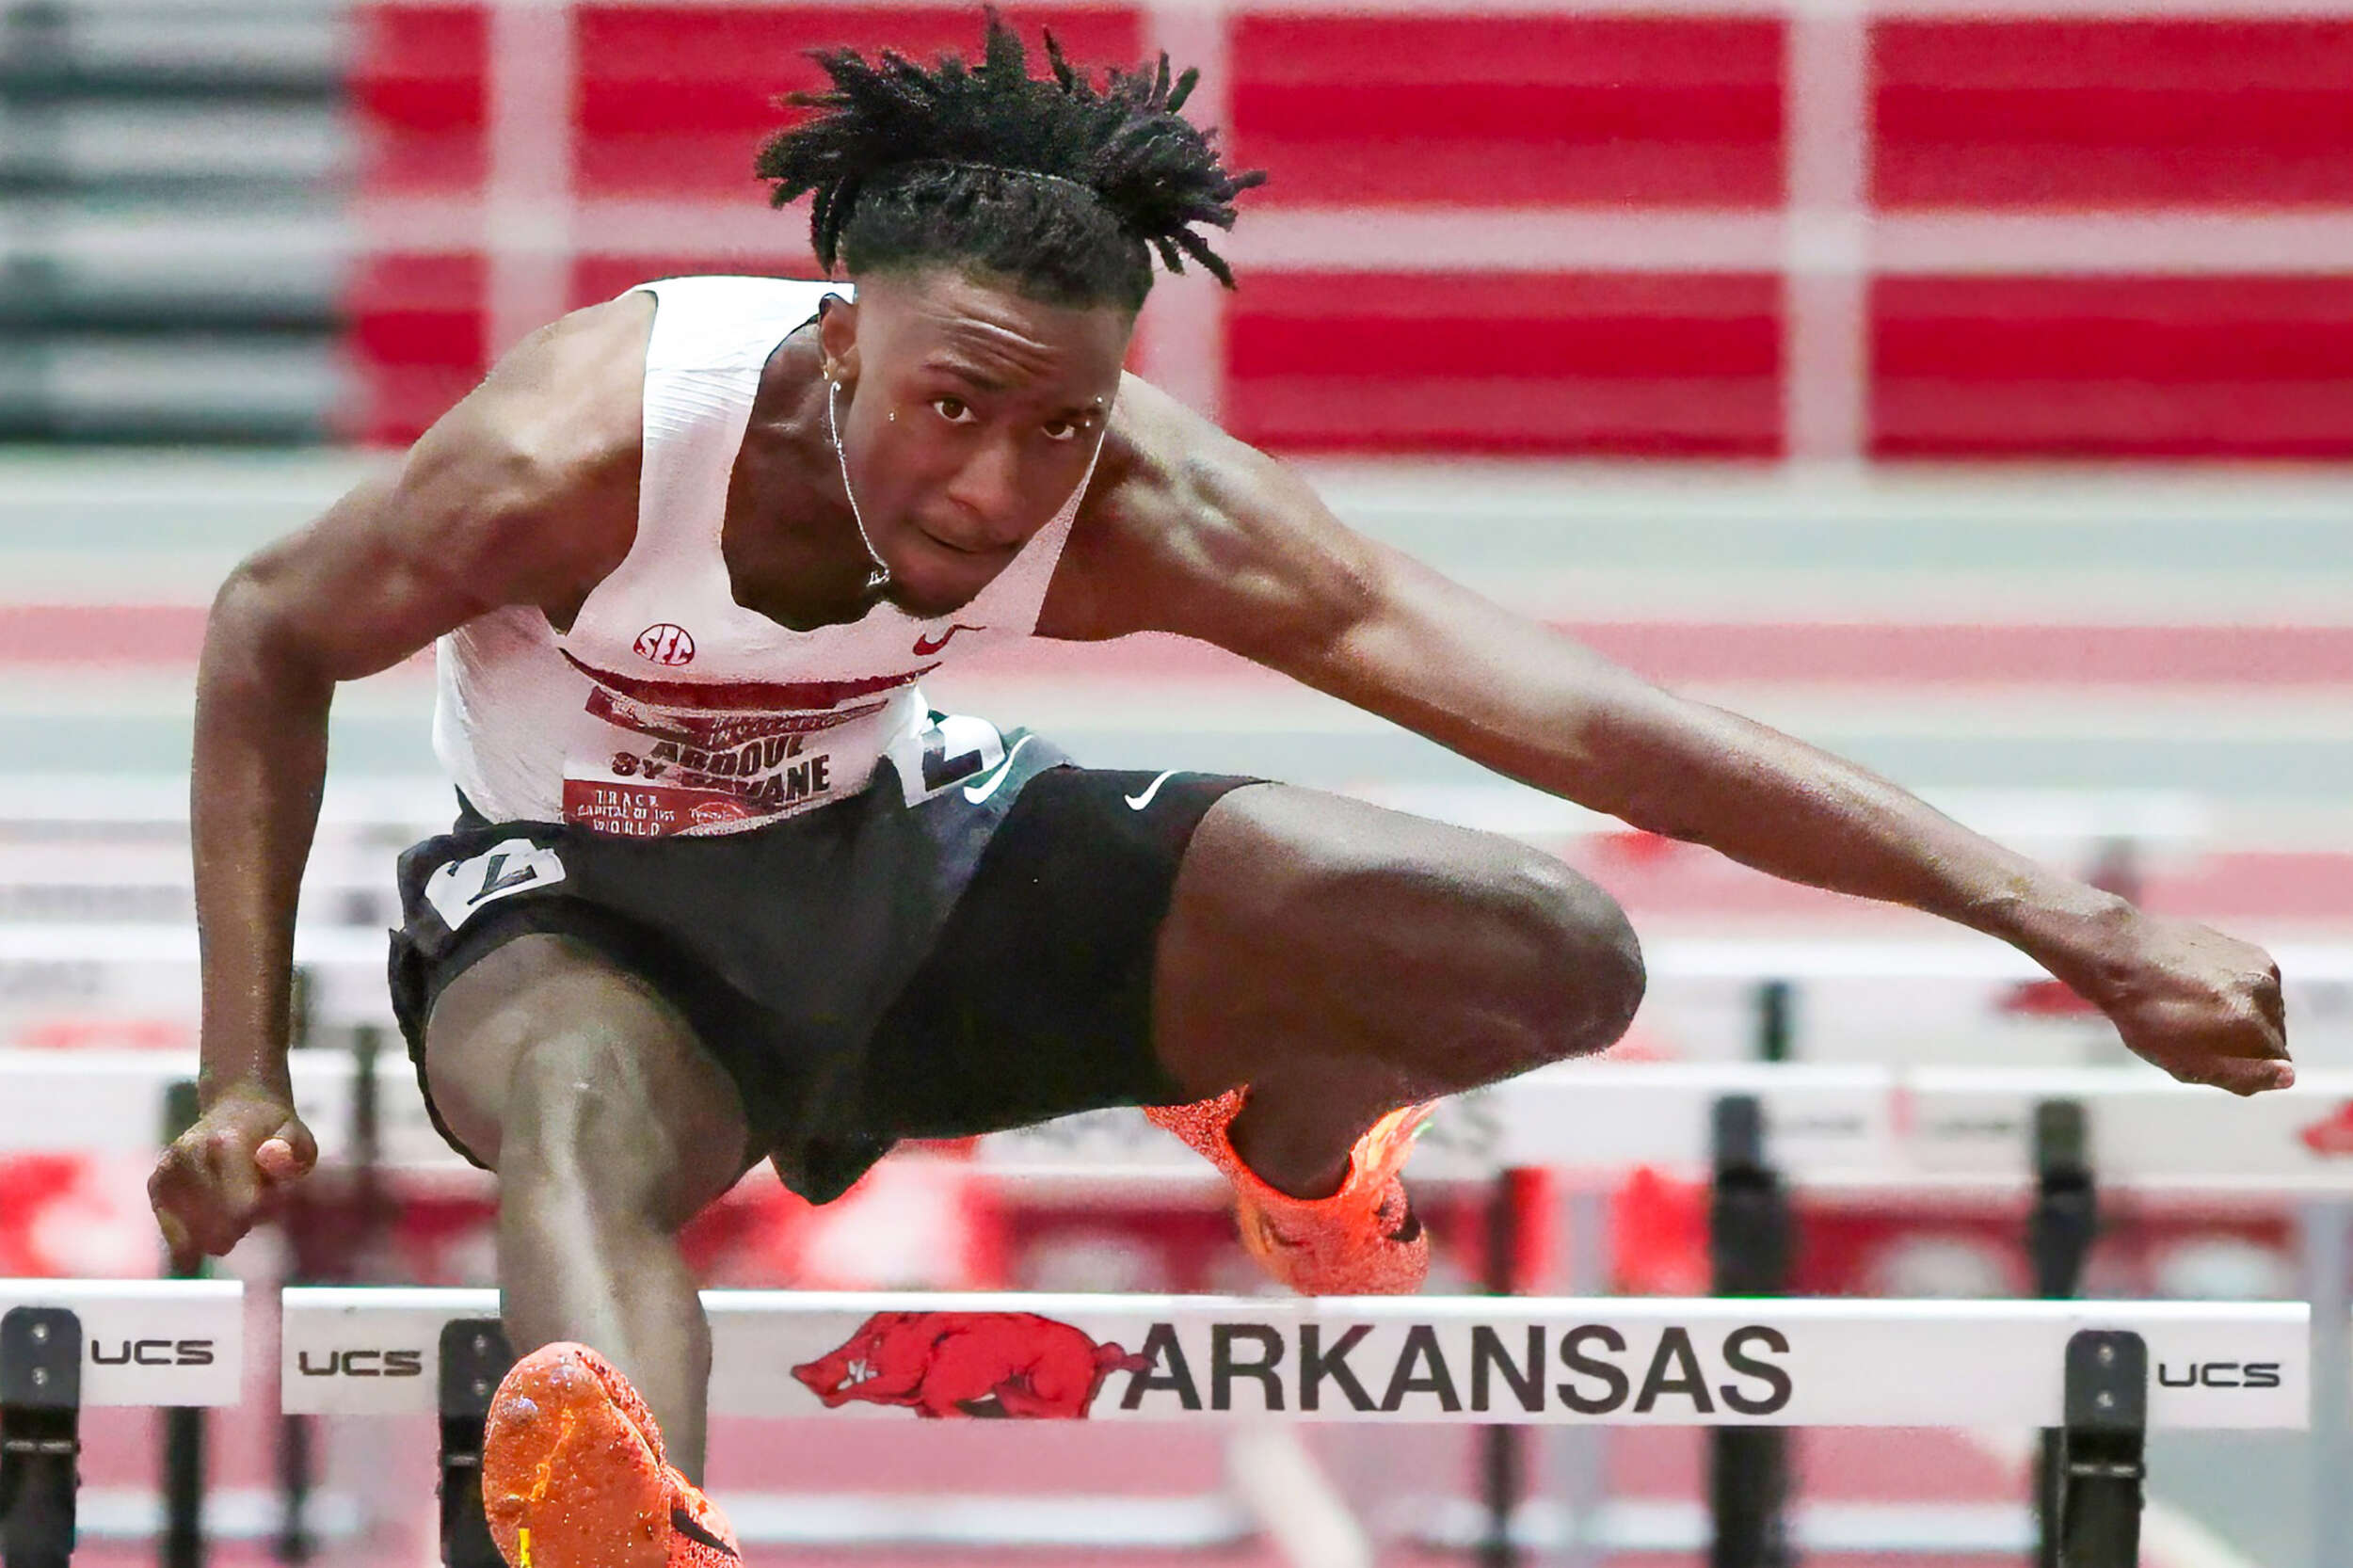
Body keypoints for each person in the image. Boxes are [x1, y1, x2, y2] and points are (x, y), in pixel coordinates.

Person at [149, 15, 2292, 1567]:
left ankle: (1288, 1133)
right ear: (837, 342)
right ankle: (627, 1517)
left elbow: (1600, 731)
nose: (998, 488)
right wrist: (243, 1067)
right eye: (954, 406)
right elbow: (266, 631)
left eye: (1061, 426)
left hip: (918, 861)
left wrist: (2074, 925)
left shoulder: (1137, 503)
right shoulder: (583, 450)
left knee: (1550, 949)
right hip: (584, 917)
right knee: (578, 1113)